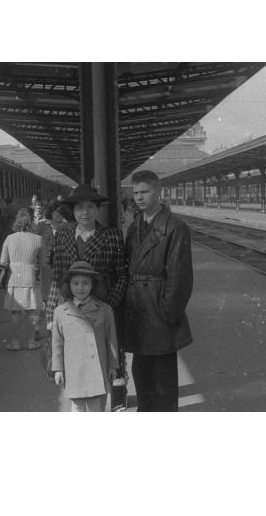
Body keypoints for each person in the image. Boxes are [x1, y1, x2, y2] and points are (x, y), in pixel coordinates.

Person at [124, 170, 194, 411]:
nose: (140, 197)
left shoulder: (175, 227)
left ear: (158, 192)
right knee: (141, 371)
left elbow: (180, 276)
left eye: (145, 191)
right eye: (135, 193)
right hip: (138, 311)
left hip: (159, 311)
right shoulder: (134, 228)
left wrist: (169, 313)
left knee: (162, 376)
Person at [45, 184, 127, 329]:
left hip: (99, 312)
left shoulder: (113, 236)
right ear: (73, 211)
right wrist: (50, 314)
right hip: (68, 311)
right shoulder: (61, 236)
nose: (85, 212)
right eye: (80, 208)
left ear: (97, 209)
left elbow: (121, 276)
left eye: (90, 207)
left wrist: (107, 306)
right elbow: (57, 276)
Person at [51, 261, 119, 412]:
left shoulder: (105, 310)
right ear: (69, 285)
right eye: (75, 283)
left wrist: (113, 365)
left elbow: (111, 340)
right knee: (77, 406)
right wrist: (58, 369)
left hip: (97, 368)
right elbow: (57, 343)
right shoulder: (60, 312)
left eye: (85, 283)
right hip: (74, 369)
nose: (80, 287)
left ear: (92, 285)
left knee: (96, 407)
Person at [0, 208, 44, 351]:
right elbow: (43, 262)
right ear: (31, 223)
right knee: (31, 311)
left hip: (14, 279)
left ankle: (15, 343)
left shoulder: (9, 238)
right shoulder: (38, 239)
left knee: (15, 313)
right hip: (30, 278)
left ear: (17, 222)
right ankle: (32, 342)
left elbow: (3, 261)